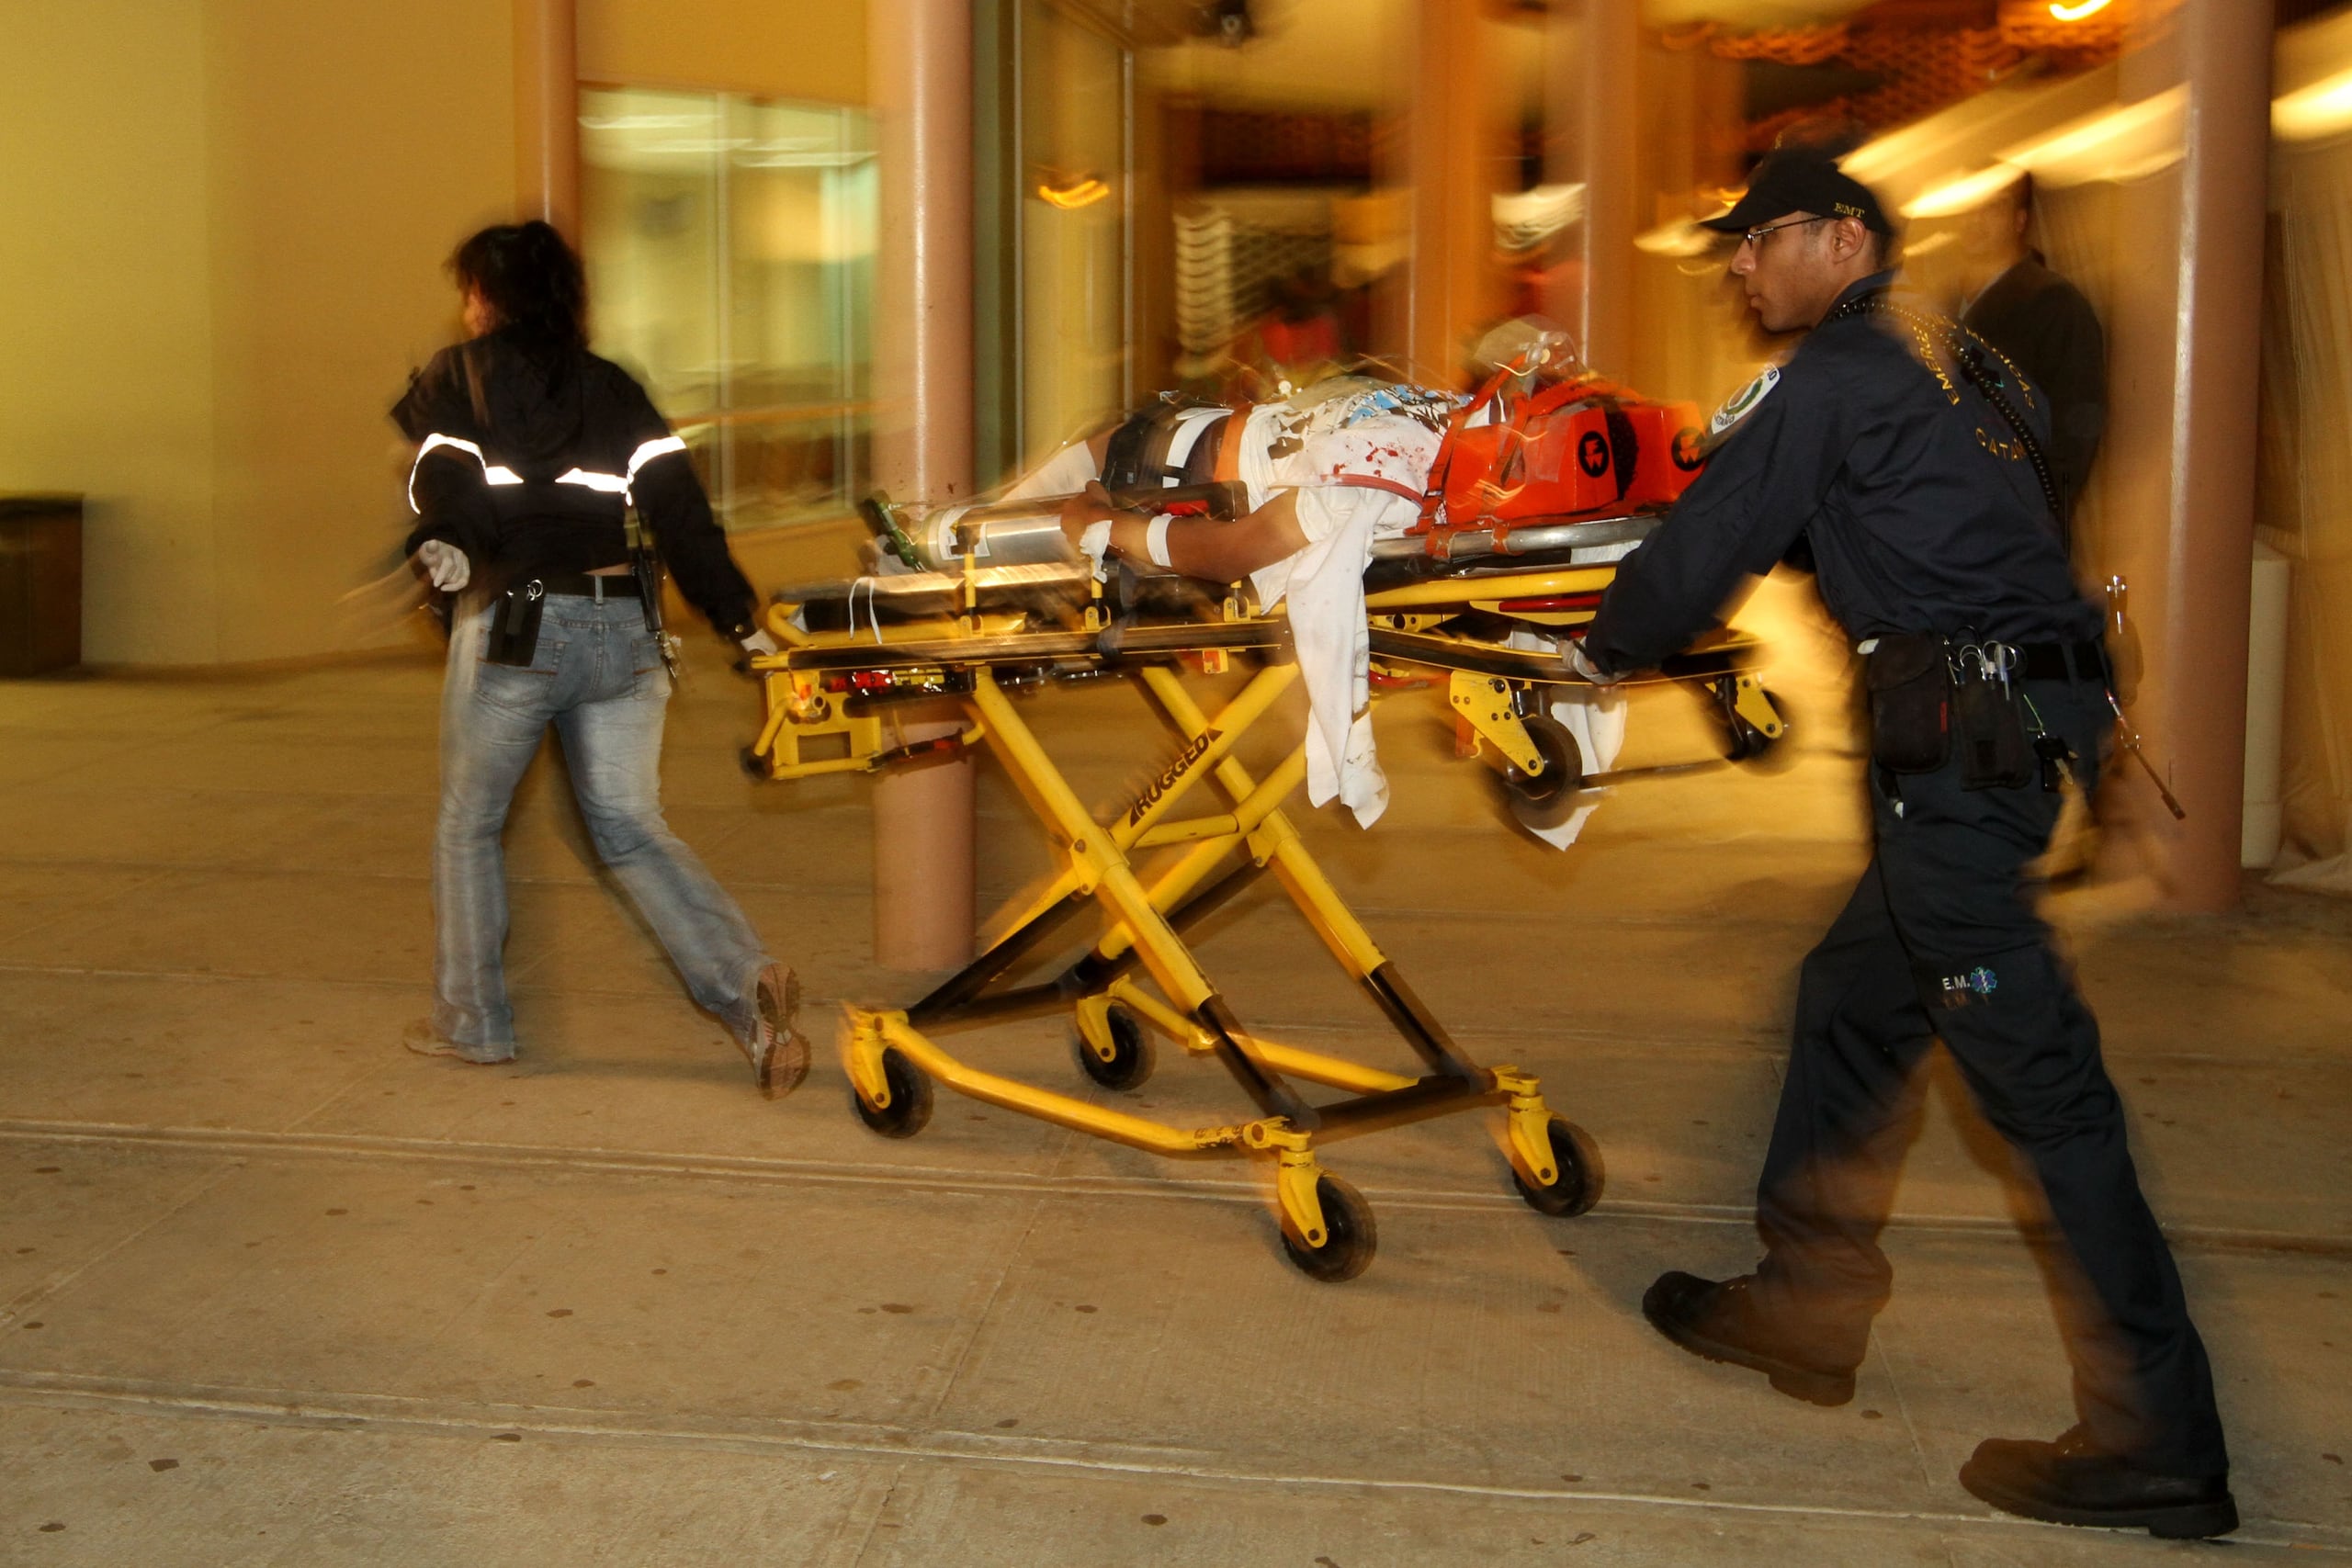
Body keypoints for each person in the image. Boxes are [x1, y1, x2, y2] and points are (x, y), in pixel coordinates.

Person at [1572, 150, 2234, 1540]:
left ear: (1839, 236)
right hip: (2020, 728)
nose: (1740, 267)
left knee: (2048, 1095)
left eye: (1756, 241)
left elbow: (1708, 553)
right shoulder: (1956, 357)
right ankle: (1805, 1307)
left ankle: (2157, 1434)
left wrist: (1593, 643)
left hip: (1961, 748)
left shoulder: (1836, 376)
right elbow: (1947, 516)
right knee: (1855, 1001)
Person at [393, 220, 807, 1097]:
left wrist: (450, 542)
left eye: (470, 289)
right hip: (625, 625)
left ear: (487, 297)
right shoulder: (613, 387)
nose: (464, 306)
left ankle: (473, 1024)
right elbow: (681, 510)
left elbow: (447, 476)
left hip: (517, 624)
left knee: (469, 827)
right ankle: (745, 984)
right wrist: (739, 618)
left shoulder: (461, 376)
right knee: (631, 827)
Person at [1955, 175, 2107, 529]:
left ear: (2019, 219)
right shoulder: (1941, 303)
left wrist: (2029, 523)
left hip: (2007, 535)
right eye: (1965, 205)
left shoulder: (2053, 305)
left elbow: (2073, 436)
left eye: (1992, 206)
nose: (1974, 219)